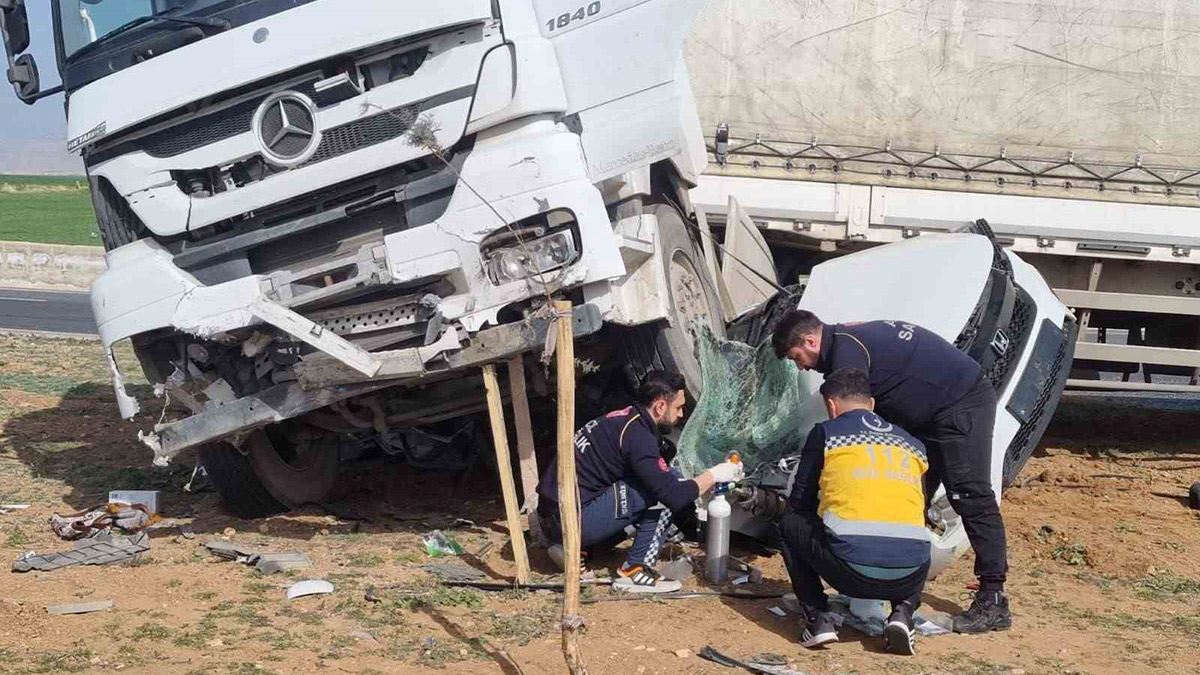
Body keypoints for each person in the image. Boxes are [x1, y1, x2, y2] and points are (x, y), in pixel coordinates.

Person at [772, 310, 1011, 634]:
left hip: (961, 401)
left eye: (795, 357)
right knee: (906, 500)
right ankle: (884, 591)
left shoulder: (846, 353)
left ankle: (993, 599)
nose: (800, 367)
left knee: (969, 494)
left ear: (810, 341)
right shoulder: (845, 341)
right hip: (928, 415)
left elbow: (850, 421)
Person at [536, 370, 744, 593]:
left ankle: (579, 549)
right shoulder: (638, 436)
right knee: (663, 493)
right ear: (660, 406)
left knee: (659, 482)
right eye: (679, 407)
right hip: (569, 521)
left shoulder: (625, 418)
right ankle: (634, 569)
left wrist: (698, 484)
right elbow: (673, 494)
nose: (682, 414)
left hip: (554, 515)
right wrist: (715, 474)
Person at [780, 368, 930, 655]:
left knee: (789, 522)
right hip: (910, 574)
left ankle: (819, 620)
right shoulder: (913, 444)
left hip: (850, 573)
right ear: (871, 404)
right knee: (913, 532)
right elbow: (920, 509)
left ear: (831, 406)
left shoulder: (827, 433)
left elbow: (800, 502)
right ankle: (903, 613)